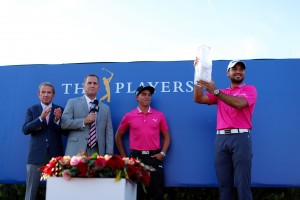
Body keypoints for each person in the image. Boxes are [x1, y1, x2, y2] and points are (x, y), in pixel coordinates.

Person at [193, 59, 257, 200]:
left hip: (241, 138)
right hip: (221, 139)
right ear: (228, 73)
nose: (238, 71)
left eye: (241, 69)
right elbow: (198, 98)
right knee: (224, 185)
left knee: (243, 184)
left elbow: (239, 104)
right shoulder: (222, 92)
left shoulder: (249, 89)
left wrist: (215, 91)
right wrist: (198, 74)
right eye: (234, 69)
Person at [115, 85, 171, 200]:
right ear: (137, 97)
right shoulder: (129, 116)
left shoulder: (159, 115)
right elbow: (118, 136)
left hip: (154, 159)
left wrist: (162, 154)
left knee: (157, 195)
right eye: (144, 94)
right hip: (136, 159)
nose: (147, 97)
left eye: (149, 95)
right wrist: (125, 158)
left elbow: (167, 136)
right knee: (136, 195)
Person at [22, 82, 64, 200]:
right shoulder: (32, 110)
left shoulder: (60, 109)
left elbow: (65, 132)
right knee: (31, 192)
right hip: (35, 156)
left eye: (49, 92)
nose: (46, 95)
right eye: (43, 92)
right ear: (38, 94)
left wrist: (57, 120)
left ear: (53, 95)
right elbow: (25, 129)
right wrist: (40, 118)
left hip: (55, 157)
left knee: (56, 193)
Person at [61, 74, 114, 156]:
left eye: (95, 83)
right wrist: (83, 121)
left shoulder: (105, 108)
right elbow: (64, 123)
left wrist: (109, 152)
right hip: (76, 150)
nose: (92, 86)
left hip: (98, 152)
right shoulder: (72, 103)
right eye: (89, 83)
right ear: (83, 86)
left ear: (99, 87)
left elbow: (109, 132)